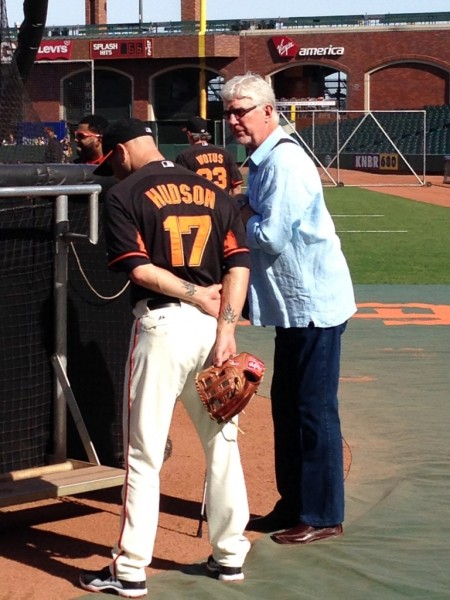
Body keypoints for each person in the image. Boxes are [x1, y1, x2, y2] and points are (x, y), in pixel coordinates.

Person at [78, 118, 251, 597]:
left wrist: (196, 295)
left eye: (109, 161)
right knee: (223, 445)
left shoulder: (124, 193)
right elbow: (239, 263)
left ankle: (130, 570)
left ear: (118, 152)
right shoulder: (214, 193)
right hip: (214, 331)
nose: (111, 170)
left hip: (163, 325)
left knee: (143, 454)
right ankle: (230, 556)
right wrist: (226, 328)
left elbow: (139, 268)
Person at [221, 73, 356, 545]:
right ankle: (293, 504)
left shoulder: (284, 161)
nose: (234, 118)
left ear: (268, 111)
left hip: (315, 305)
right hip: (295, 307)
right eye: (229, 111)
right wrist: (243, 205)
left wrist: (235, 216)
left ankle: (322, 515)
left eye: (242, 110)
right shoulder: (261, 162)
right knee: (287, 406)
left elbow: (272, 237)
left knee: (314, 410)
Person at [175, 116, 243, 196]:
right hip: (224, 206)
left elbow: (181, 189)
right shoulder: (224, 153)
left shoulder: (184, 156)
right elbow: (236, 186)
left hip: (201, 207)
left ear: (189, 134)